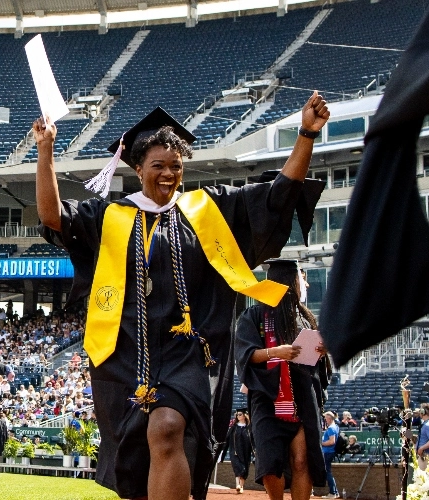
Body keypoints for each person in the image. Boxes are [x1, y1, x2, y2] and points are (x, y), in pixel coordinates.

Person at [35, 94, 329, 500]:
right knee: (138, 457)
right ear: (138, 168)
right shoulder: (111, 216)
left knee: (168, 426)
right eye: (158, 166)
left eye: (176, 166)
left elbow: (278, 194)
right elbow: (53, 217)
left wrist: (306, 134)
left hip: (191, 349)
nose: (169, 174)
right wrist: (46, 150)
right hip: (125, 351)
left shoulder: (208, 209)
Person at [235, 260, 332, 500]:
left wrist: (322, 351)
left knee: (301, 461)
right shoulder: (254, 315)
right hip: (269, 400)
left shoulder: (305, 317)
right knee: (269, 466)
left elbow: (318, 366)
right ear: (289, 283)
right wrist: (276, 352)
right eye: (301, 279)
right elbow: (245, 355)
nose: (305, 284)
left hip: (301, 401)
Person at [224, 411, 253, 494]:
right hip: (235, 451)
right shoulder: (234, 427)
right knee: (237, 467)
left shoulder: (249, 428)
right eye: (237, 415)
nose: (238, 416)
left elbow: (252, 440)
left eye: (240, 414)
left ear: (244, 416)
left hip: (245, 451)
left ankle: (241, 486)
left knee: (244, 469)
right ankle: (237, 485)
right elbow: (227, 439)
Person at [321, 412, 341, 499]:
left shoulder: (331, 428)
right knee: (328, 472)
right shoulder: (334, 427)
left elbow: (331, 441)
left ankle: (332, 492)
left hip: (328, 452)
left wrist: (321, 443)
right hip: (329, 452)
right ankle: (335, 492)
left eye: (325, 418)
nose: (325, 420)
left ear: (329, 418)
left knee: (327, 472)